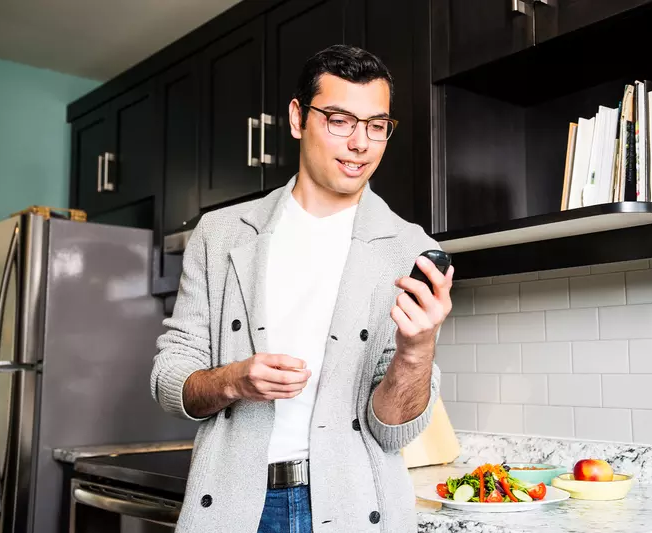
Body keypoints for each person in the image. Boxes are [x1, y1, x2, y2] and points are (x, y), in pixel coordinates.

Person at [150, 44, 454, 533]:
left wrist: (417, 351)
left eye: (377, 126)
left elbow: (393, 429)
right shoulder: (222, 233)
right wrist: (234, 381)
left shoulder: (409, 248)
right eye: (339, 120)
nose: (360, 144)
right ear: (297, 118)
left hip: (357, 506)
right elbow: (170, 378)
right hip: (234, 506)